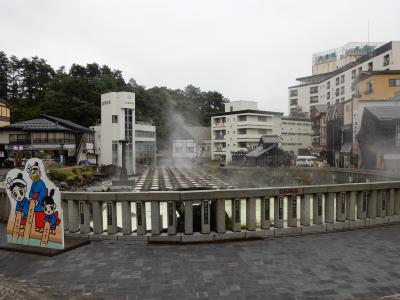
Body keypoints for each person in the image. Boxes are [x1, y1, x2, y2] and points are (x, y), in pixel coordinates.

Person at [27, 162, 48, 233]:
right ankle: (38, 226)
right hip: (34, 202)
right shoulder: (33, 183)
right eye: (32, 173)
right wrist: (31, 197)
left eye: (35, 173)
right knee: (37, 216)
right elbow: (31, 192)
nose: (34, 175)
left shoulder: (41, 183)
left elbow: (43, 194)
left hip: (40, 203)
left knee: (41, 215)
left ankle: (41, 227)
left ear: (39, 173)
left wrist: (38, 201)